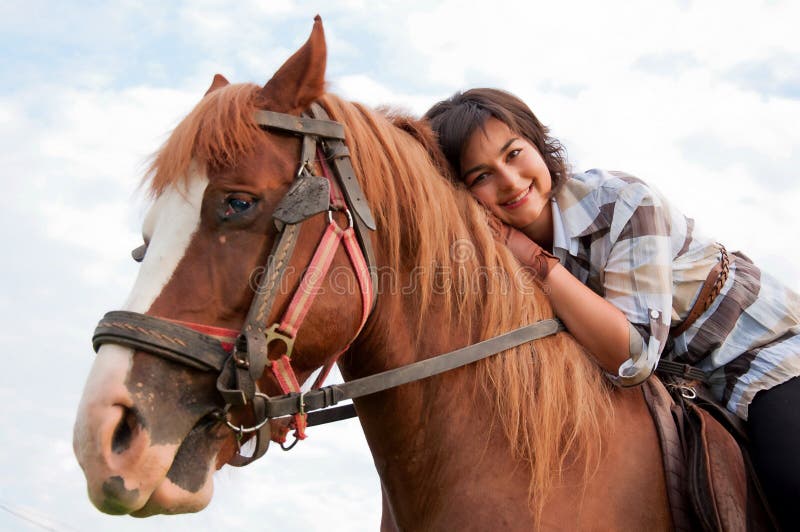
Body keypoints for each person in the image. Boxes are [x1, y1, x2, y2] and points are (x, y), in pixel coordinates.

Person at [424, 88, 800, 527]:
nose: (508, 181)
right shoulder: (487, 261)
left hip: (758, 353)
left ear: (537, 143)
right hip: (675, 381)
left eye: (513, 153)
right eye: (481, 176)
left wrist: (531, 258)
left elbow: (633, 356)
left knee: (790, 471)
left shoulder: (620, 201)